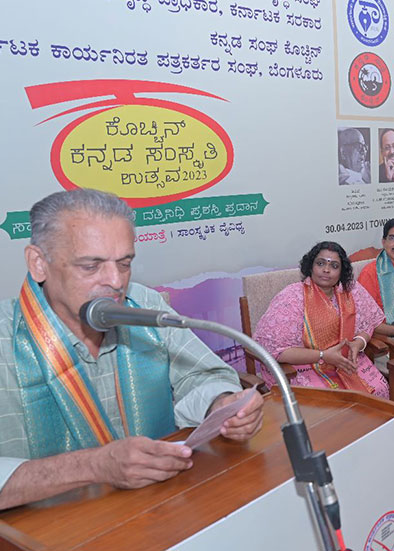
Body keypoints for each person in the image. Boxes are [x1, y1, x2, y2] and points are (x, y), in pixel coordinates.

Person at [0, 189, 263, 510]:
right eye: (90, 266)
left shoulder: (143, 304)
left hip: (160, 507)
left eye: (124, 264)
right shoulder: (6, 338)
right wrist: (95, 466)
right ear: (39, 263)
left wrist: (222, 405)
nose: (115, 282)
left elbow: (201, 376)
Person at [253, 241, 388, 398]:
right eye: (320, 263)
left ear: (342, 272)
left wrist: (359, 343)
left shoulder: (351, 290)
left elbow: (367, 326)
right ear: (311, 266)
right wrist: (323, 356)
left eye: (334, 266)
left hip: (347, 361)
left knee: (378, 389)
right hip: (305, 366)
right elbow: (273, 350)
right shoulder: (291, 298)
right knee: (332, 403)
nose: (326, 270)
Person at [358, 219, 394, 338]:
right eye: (392, 238)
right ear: (383, 242)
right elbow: (366, 321)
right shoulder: (370, 273)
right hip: (386, 336)